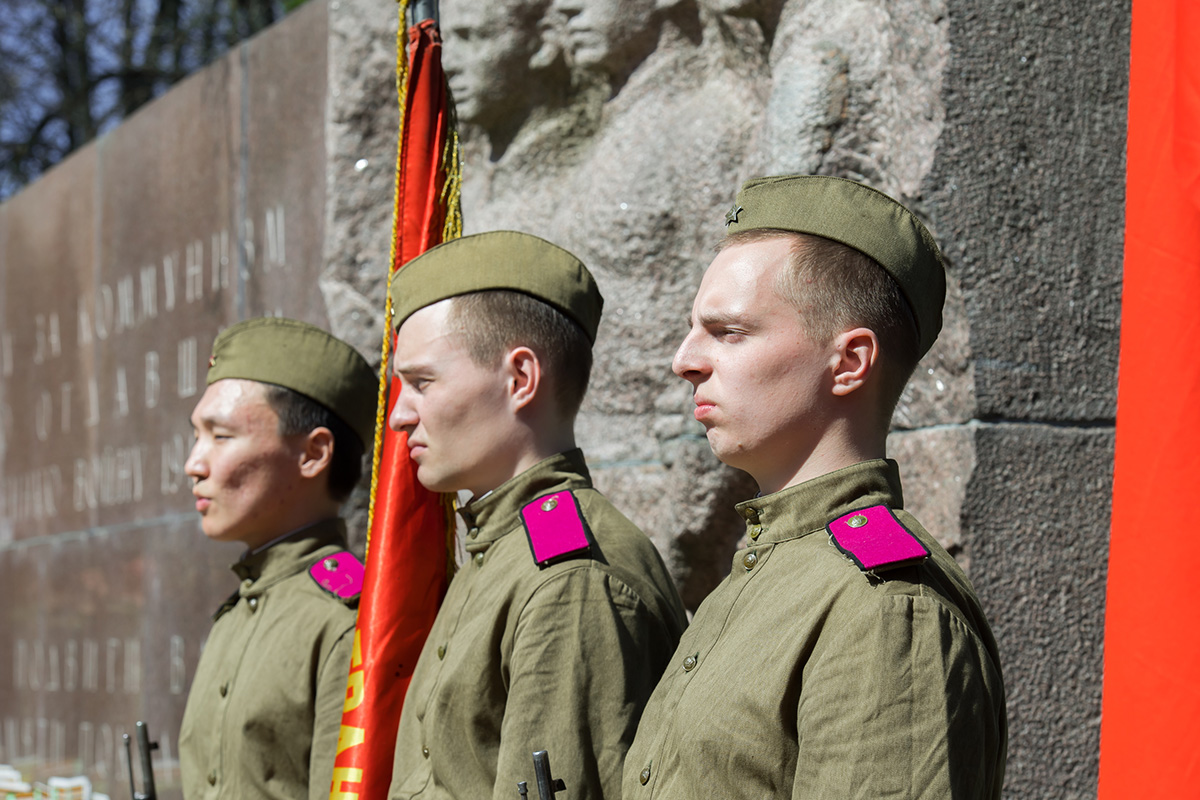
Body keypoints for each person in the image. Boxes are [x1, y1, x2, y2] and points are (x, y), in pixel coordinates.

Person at [623, 175, 1008, 798]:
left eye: (729, 332)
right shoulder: (773, 565)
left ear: (851, 361)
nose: (685, 359)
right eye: (695, 329)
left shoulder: (886, 611)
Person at [383, 230, 688, 800]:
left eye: (422, 382)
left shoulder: (569, 579)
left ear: (520, 379)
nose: (400, 415)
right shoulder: (500, 549)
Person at [179, 317, 377, 800]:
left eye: (221, 437)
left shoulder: (344, 623)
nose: (194, 464)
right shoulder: (240, 607)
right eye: (197, 435)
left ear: (313, 454)